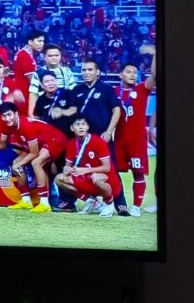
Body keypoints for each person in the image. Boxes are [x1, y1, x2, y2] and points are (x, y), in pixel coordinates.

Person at [69, 58, 127, 215]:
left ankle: (120, 204)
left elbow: (117, 111)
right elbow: (73, 113)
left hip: (103, 138)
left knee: (112, 170)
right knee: (78, 171)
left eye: (89, 70)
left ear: (98, 72)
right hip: (82, 140)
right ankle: (75, 202)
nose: (86, 73)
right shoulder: (77, 90)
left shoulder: (107, 90)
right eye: (83, 70)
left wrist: (109, 132)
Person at [0, 102, 67, 213]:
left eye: (9, 115)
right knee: (16, 162)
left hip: (56, 139)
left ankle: (44, 203)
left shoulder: (26, 125)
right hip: (40, 142)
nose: (7, 118)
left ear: (16, 114)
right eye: (4, 116)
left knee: (36, 162)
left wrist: (19, 164)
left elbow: (33, 153)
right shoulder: (6, 125)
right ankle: (26, 200)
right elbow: (2, 144)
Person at [114, 45, 156, 217]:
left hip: (137, 140)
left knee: (138, 173)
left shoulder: (141, 89)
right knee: (112, 171)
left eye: (135, 72)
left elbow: (154, 75)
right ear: (121, 75)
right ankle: (110, 202)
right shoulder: (113, 92)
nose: (133, 74)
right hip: (118, 139)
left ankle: (136, 206)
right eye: (129, 71)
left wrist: (155, 54)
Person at [55, 116, 123, 218]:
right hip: (87, 180)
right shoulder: (71, 144)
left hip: (108, 181)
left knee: (95, 177)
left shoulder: (99, 142)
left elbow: (107, 167)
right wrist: (66, 169)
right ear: (72, 128)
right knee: (59, 179)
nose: (81, 127)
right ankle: (90, 201)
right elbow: (67, 167)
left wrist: (86, 170)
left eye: (83, 124)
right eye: (77, 125)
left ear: (88, 127)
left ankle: (109, 204)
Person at [27, 44, 77, 117]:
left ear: (60, 56)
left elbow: (73, 91)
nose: (54, 58)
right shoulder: (38, 73)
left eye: (56, 55)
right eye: (50, 56)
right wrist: (30, 113)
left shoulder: (67, 71)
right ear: (45, 57)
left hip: (65, 108)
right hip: (45, 109)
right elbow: (33, 93)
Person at [32, 72, 78, 138]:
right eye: (47, 81)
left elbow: (74, 110)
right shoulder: (40, 100)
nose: (50, 84)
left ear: (56, 81)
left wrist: (61, 112)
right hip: (50, 136)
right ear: (41, 85)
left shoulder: (67, 93)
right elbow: (38, 117)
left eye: (52, 80)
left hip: (69, 135)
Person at [12, 29, 45, 102]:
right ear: (30, 42)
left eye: (43, 41)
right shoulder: (25, 55)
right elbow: (32, 80)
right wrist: (44, 92)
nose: (42, 44)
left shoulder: (23, 53)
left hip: (22, 92)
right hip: (25, 94)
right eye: (39, 41)